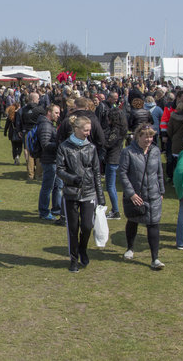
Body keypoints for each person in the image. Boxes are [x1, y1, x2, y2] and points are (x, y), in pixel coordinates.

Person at [56, 116, 105, 273]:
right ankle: (74, 258)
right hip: (71, 193)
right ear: (76, 129)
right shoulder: (64, 147)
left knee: (87, 226)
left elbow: (97, 172)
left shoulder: (91, 148)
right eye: (85, 130)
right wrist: (72, 179)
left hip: (89, 192)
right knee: (73, 228)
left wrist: (101, 197)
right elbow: (59, 169)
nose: (88, 133)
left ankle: (83, 249)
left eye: (89, 130)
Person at [119, 124, 166, 269]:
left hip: (153, 194)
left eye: (151, 136)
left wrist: (161, 191)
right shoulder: (128, 152)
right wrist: (131, 193)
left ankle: (155, 259)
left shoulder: (155, 151)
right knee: (133, 220)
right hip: (136, 194)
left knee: (153, 223)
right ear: (138, 136)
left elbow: (159, 172)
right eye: (146, 136)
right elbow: (122, 173)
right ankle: (130, 248)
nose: (149, 139)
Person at [37, 104, 63, 220]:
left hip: (53, 160)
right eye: (56, 113)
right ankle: (44, 212)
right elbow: (45, 144)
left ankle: (56, 208)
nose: (58, 115)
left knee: (57, 185)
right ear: (49, 112)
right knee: (47, 187)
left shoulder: (48, 124)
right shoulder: (46, 126)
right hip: (49, 161)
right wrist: (60, 145)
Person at [104, 108, 128, 219]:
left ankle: (115, 210)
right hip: (116, 158)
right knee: (111, 186)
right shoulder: (121, 128)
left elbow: (108, 143)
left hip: (112, 159)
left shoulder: (115, 131)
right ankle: (115, 210)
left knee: (110, 186)